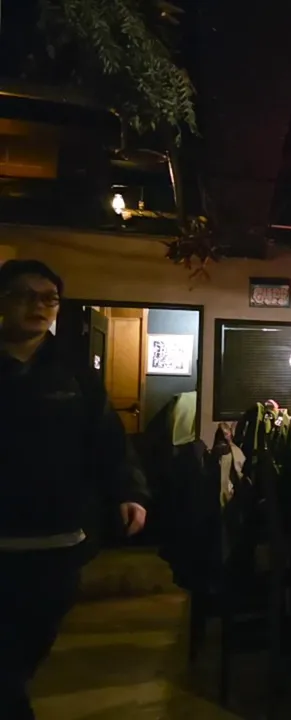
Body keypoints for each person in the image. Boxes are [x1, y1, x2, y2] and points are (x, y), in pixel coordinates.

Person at [0, 259, 149, 720]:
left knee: (33, 639)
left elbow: (107, 438)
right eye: (26, 295)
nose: (39, 306)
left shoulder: (73, 370)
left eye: (49, 298)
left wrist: (130, 491)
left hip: (58, 536)